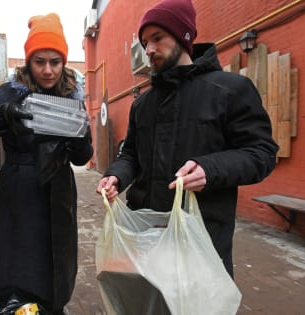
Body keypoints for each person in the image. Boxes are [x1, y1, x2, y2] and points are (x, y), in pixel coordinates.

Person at [96, 0, 278, 278]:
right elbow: (130, 154)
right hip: (146, 236)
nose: (149, 50)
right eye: (145, 43)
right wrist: (116, 176)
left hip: (202, 240)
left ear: (183, 36)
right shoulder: (143, 104)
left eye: (158, 38)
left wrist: (211, 168)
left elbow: (262, 153)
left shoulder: (229, 90)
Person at [0, 13, 93, 315]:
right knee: (21, 263)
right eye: (39, 61)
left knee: (56, 261)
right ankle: (18, 306)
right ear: (28, 60)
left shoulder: (73, 96)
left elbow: (83, 157)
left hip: (59, 192)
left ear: (64, 62)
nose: (47, 70)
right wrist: (1, 115)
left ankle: (52, 307)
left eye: (55, 62)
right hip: (21, 191)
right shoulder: (11, 91)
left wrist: (81, 139)